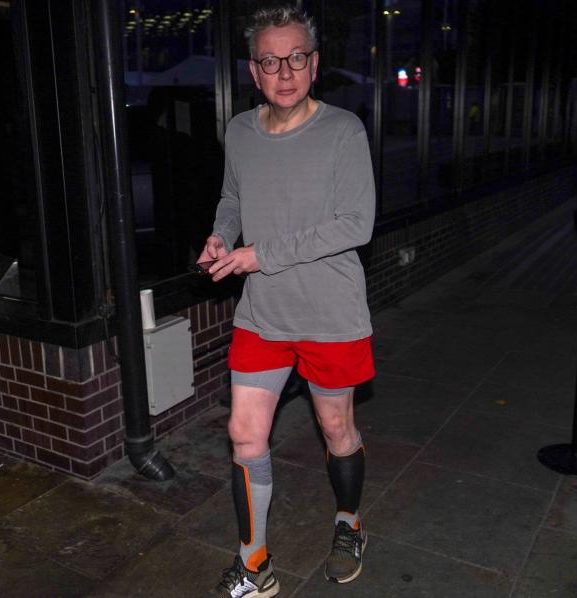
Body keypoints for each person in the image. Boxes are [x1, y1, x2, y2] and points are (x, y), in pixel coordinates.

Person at [198, 6, 376, 597]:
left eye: (296, 58)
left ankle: (349, 524)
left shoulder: (343, 131)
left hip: (330, 313)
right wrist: (222, 235)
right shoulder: (240, 132)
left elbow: (356, 224)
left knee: (336, 429)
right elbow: (232, 199)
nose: (284, 72)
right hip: (263, 313)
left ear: (314, 63)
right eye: (271, 61)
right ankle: (254, 564)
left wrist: (261, 254)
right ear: (254, 72)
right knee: (245, 433)